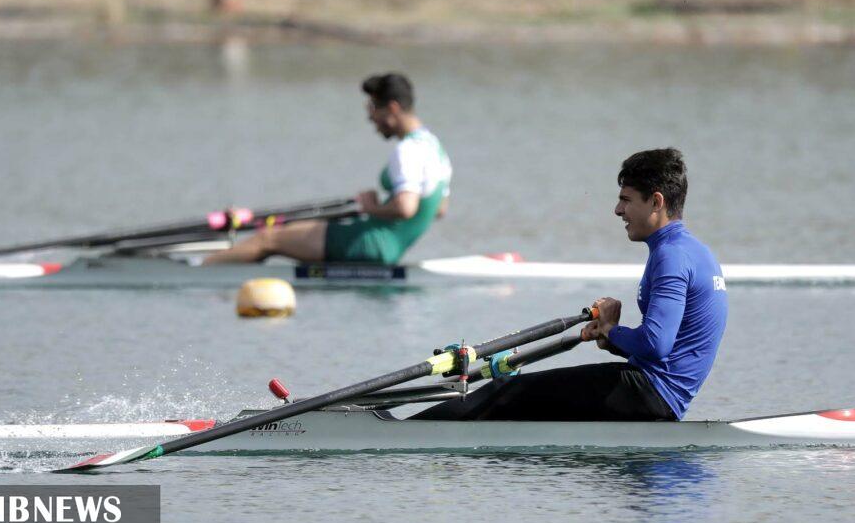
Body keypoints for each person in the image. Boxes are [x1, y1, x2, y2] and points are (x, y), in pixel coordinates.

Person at [416, 148, 727, 422]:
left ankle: (409, 432)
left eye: (626, 200)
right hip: (658, 396)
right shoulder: (696, 252)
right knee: (524, 401)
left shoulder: (671, 256)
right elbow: (670, 350)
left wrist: (610, 330)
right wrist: (613, 341)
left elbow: (656, 346)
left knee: (508, 390)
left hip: (652, 393)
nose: (617, 210)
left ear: (656, 201)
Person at [203, 73, 451, 265]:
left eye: (373, 109)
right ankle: (230, 267)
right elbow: (439, 209)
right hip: (388, 244)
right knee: (280, 234)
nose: (370, 119)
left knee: (268, 237)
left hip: (372, 243)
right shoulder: (435, 149)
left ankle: (204, 269)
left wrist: (371, 207)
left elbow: (406, 208)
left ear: (393, 108)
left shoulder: (407, 151)